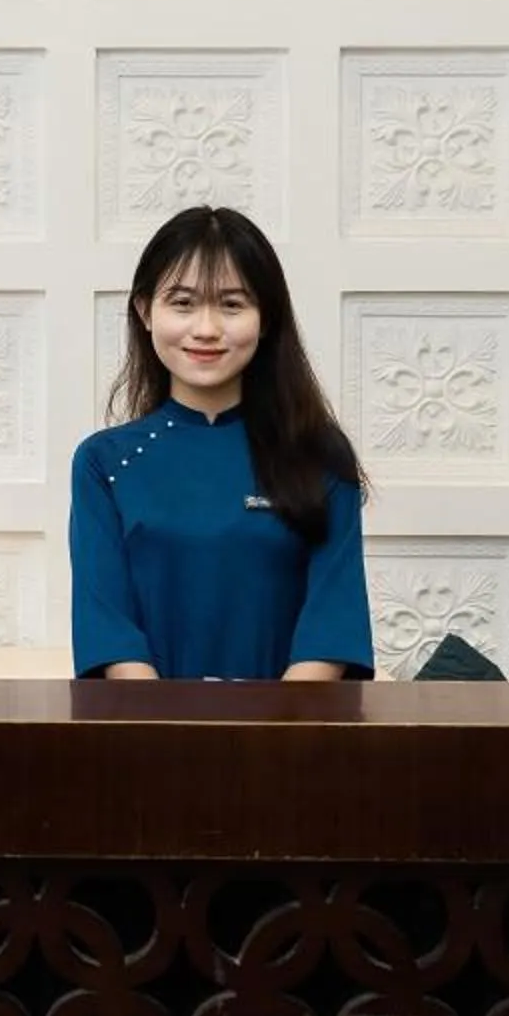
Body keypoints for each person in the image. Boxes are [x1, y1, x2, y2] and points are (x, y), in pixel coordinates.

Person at [71, 205, 373, 680]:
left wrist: (267, 743)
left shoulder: (320, 456)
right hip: (147, 738)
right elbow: (108, 629)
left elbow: (330, 628)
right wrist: (171, 740)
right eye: (184, 303)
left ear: (266, 317)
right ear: (145, 311)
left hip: (288, 742)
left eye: (232, 304)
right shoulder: (105, 463)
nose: (207, 328)